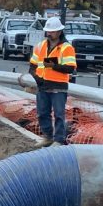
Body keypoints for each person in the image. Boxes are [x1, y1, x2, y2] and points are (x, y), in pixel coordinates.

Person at [29, 17, 77, 147]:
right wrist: (37, 78)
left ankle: (59, 140)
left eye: (52, 31)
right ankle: (48, 137)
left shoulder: (66, 48)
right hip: (43, 85)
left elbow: (70, 68)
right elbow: (32, 66)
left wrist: (53, 66)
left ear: (59, 32)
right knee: (42, 113)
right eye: (48, 31)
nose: (49, 34)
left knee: (59, 114)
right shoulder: (41, 46)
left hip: (59, 87)